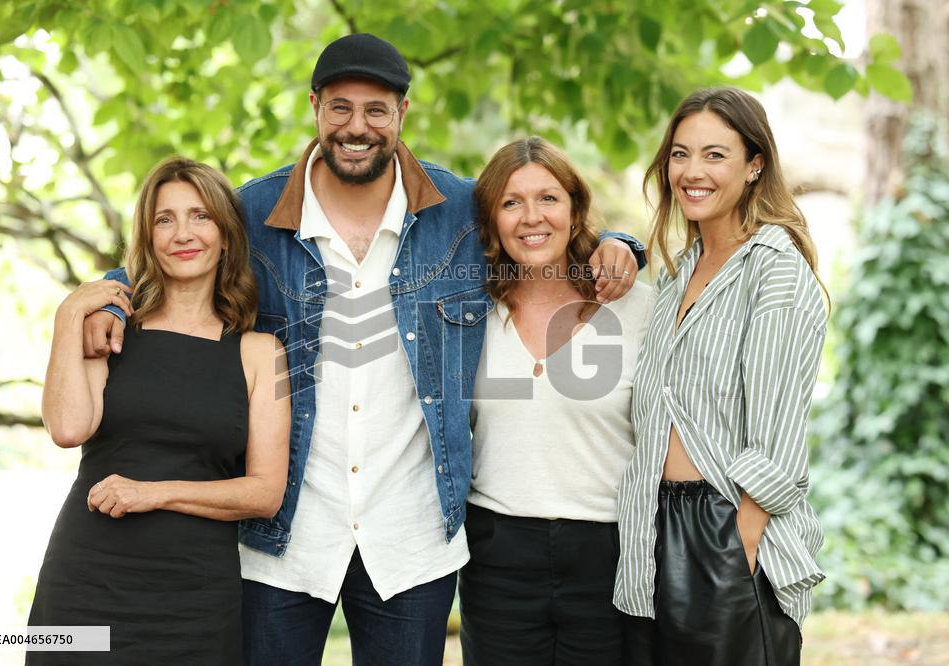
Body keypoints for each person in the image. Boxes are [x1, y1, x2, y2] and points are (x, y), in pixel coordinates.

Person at [84, 34, 646, 665]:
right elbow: (170, 252)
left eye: (376, 110)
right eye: (340, 108)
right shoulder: (256, 212)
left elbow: (544, 225)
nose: (358, 127)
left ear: (403, 113)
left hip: (411, 537)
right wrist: (110, 300)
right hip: (285, 539)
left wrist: (623, 243)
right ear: (315, 107)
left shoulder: (459, 212)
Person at [28, 158, 289, 665]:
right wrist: (69, 315)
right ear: (147, 240)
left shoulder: (263, 354)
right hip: (84, 583)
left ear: (227, 237)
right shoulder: (111, 331)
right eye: (164, 220)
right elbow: (66, 428)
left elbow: (265, 493)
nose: (182, 233)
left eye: (200, 216)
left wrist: (153, 493)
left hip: (195, 600)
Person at [613, 87, 829, 666]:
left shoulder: (774, 269)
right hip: (649, 527)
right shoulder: (680, 271)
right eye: (680, 154)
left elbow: (780, 428)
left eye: (715, 155)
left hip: (724, 526)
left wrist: (743, 539)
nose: (691, 171)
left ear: (754, 165)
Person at [460, 137, 655, 665]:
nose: (531, 217)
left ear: (574, 209)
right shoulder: (469, 312)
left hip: (609, 552)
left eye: (548, 198)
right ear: (491, 220)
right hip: (496, 552)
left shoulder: (639, 306)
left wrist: (623, 243)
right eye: (510, 202)